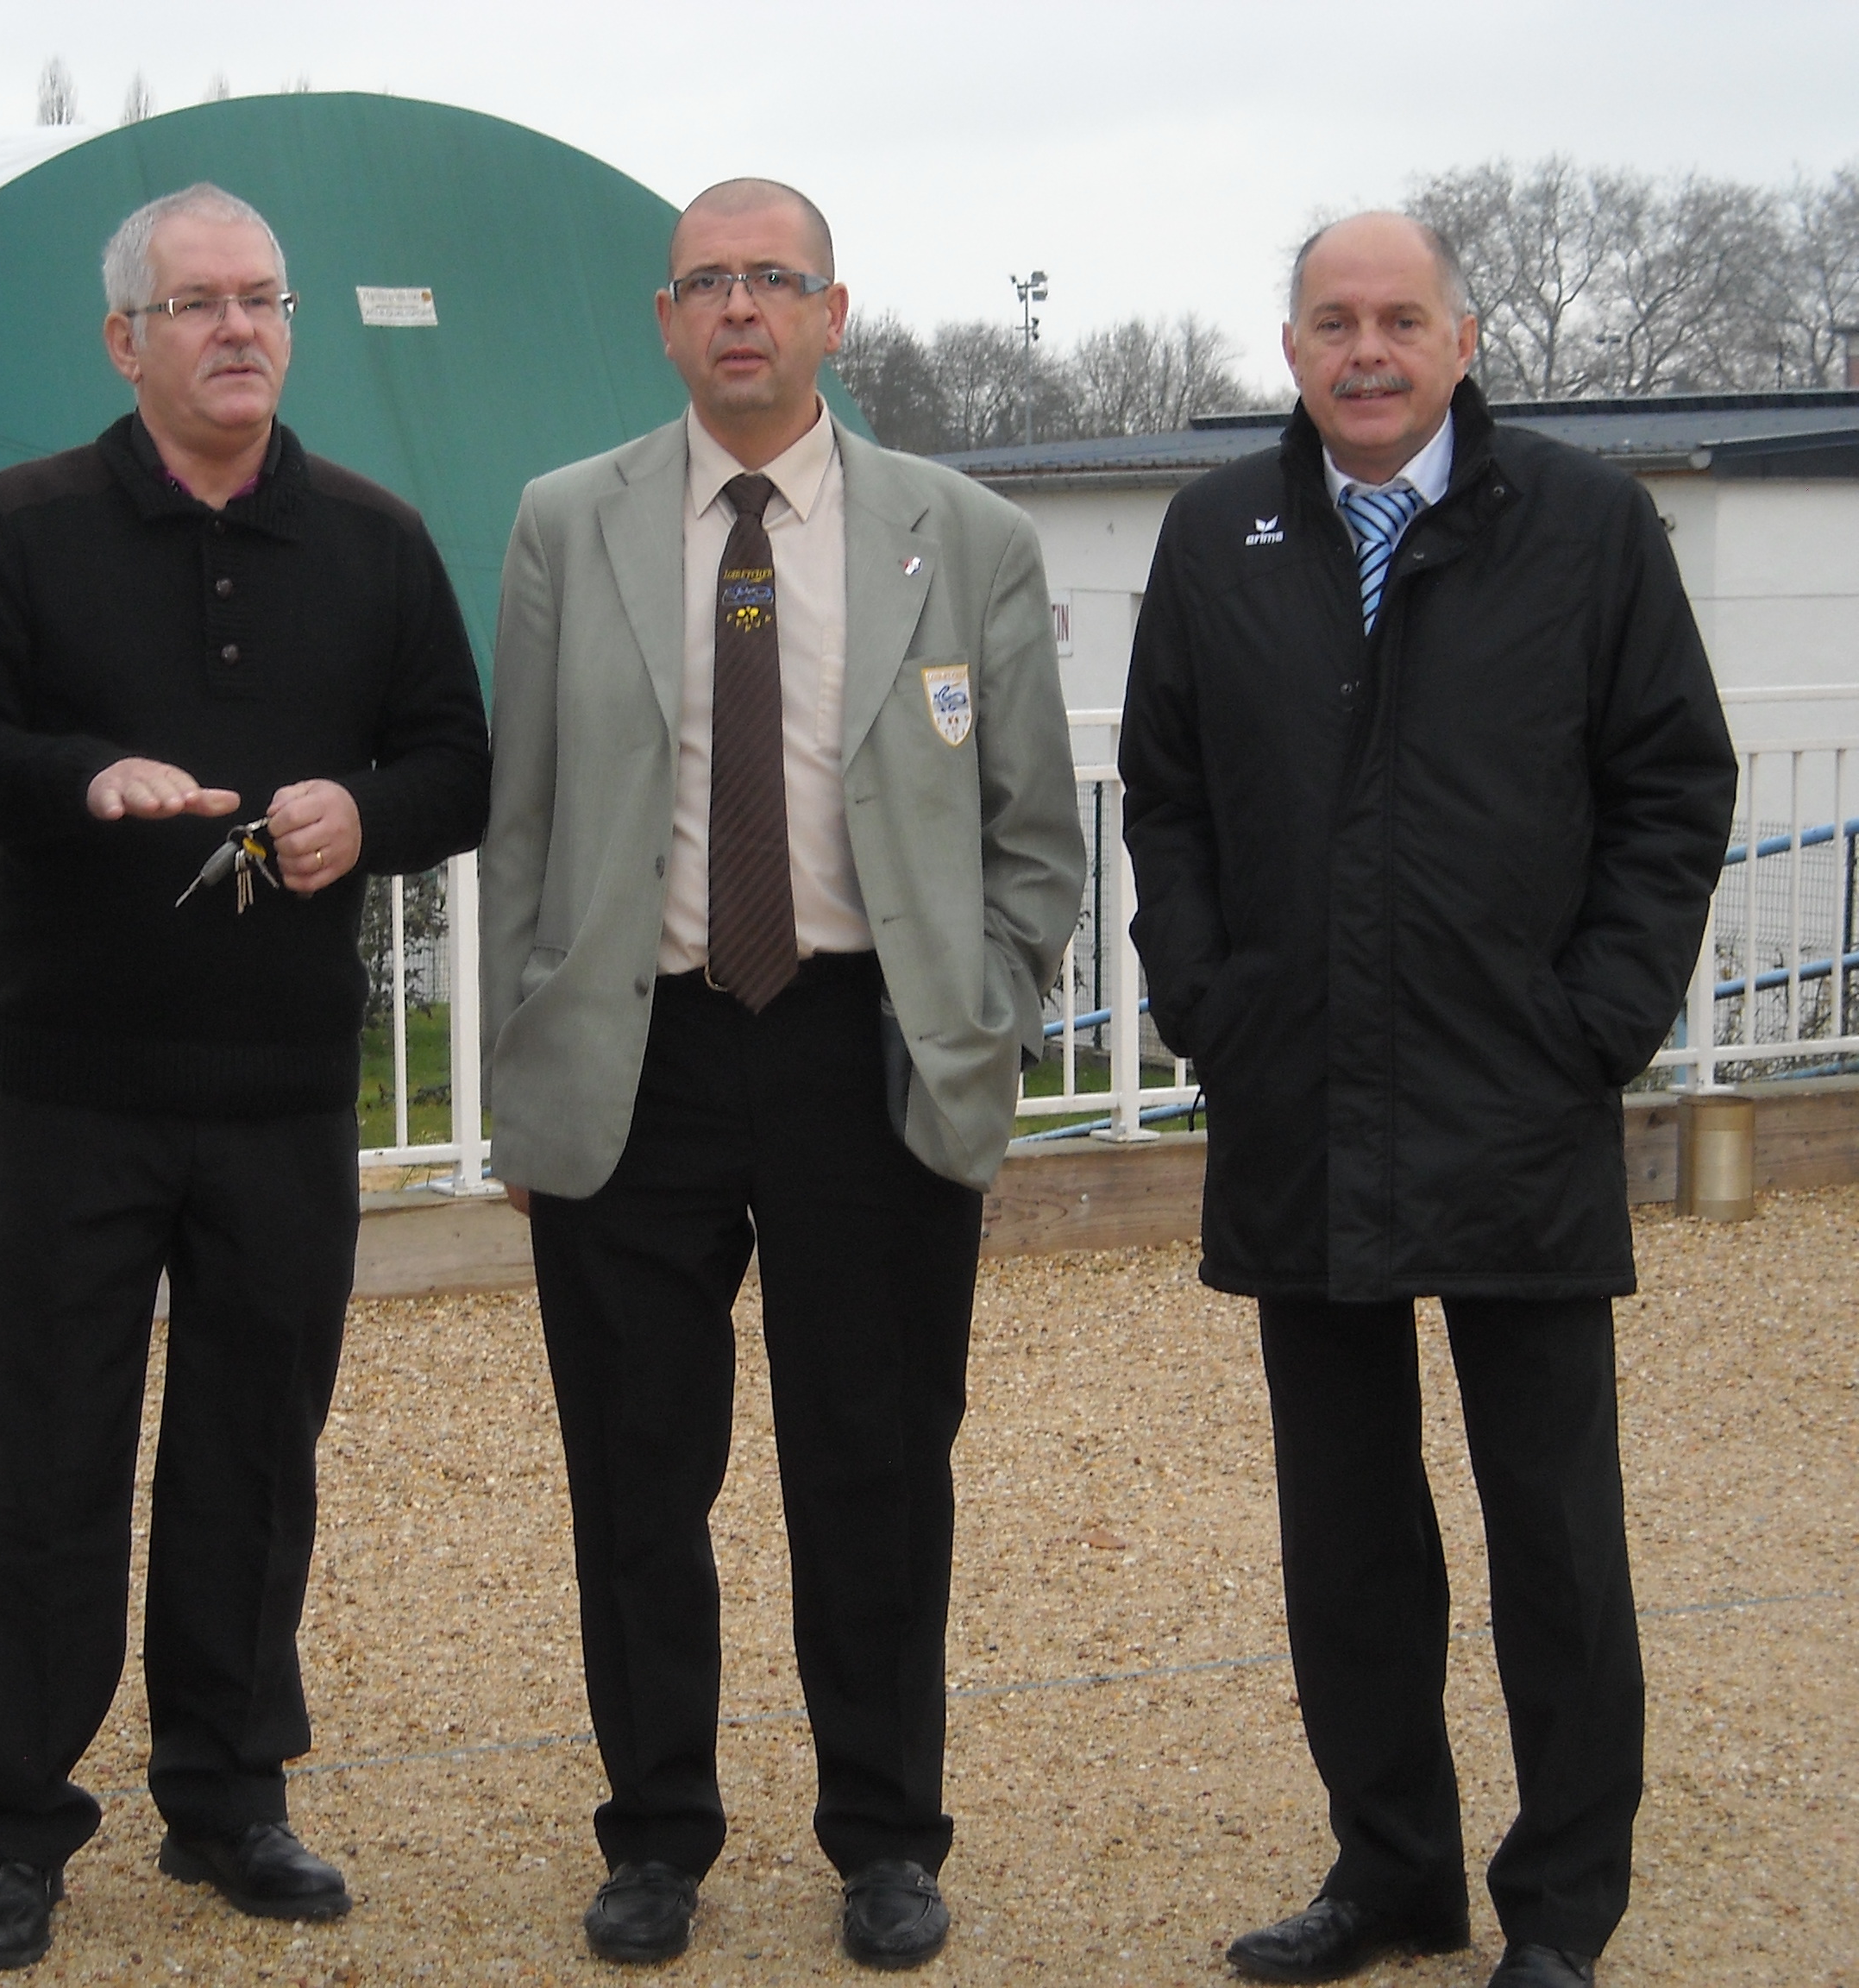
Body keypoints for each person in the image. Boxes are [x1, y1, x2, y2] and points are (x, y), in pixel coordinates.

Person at [1118, 212, 1736, 1988]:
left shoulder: (1587, 527)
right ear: (1292, 345)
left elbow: (1671, 783)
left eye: (1401, 320)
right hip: (1299, 1094)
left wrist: (1599, 1017)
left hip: (1516, 1096)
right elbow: (1165, 793)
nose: (1366, 350)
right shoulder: (1215, 530)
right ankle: (1391, 1874)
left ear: (1465, 341)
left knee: (1553, 1530)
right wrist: (1209, 997)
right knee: (1348, 1532)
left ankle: (1562, 1906)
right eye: (1335, 321)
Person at [480, 178, 1085, 1971]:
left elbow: (1032, 835)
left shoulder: (960, 535)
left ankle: (887, 1835)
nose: (740, 307)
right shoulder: (563, 526)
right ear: (664, 322)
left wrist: (977, 1018)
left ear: (835, 312)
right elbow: (520, 827)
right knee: (638, 1473)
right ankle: (656, 1831)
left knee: (877, 1463)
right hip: (635, 1052)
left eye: (776, 279)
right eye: (706, 282)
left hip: (865, 1048)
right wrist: (528, 1064)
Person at [0, 182, 490, 1972]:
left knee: (254, 1456)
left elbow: (459, 763)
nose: (240, 328)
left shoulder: (376, 542)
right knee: (52, 1450)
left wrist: (365, 814)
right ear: (125, 339)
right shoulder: (25, 524)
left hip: (283, 1094)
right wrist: (81, 778)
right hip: (77, 1086)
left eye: (264, 298)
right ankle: (18, 1818)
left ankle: (229, 1797)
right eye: (199, 303)